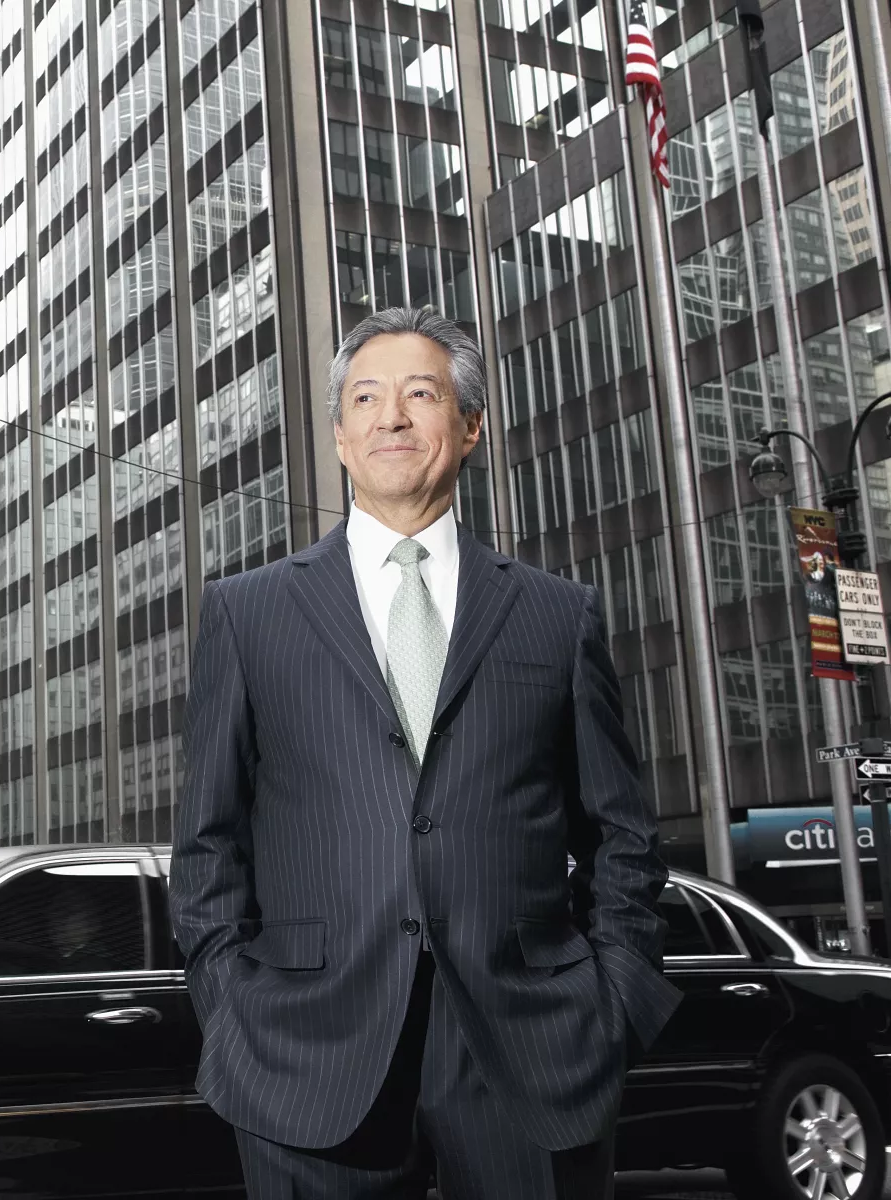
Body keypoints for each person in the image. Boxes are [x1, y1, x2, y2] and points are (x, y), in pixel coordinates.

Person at [171, 307, 678, 1199]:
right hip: (305, 1052)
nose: (390, 418)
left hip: (533, 1046)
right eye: (365, 398)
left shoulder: (558, 616)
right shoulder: (248, 616)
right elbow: (208, 842)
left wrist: (616, 1000)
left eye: (420, 394)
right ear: (338, 433)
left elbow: (622, 836)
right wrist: (231, 1008)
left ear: (470, 425)